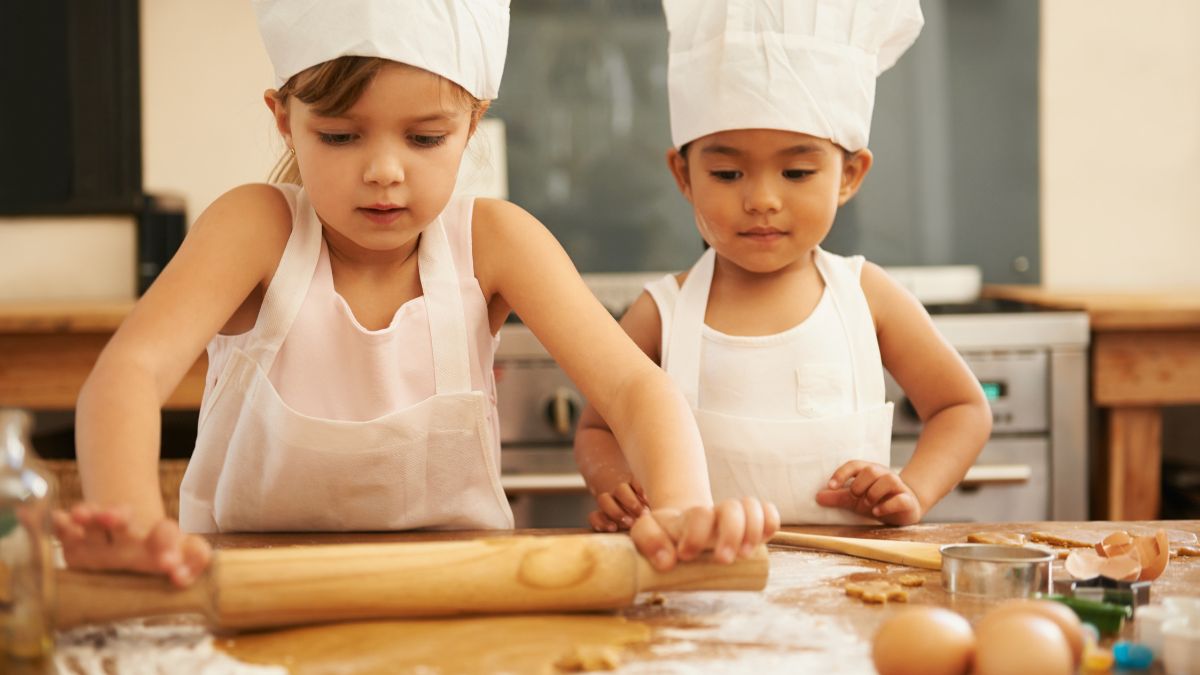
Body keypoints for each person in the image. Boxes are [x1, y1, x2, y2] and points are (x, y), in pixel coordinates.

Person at [52, 0, 778, 587]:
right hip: (251, 594)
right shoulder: (258, 229)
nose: (384, 172)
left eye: (426, 138)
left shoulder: (493, 240)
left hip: (461, 597)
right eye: (340, 136)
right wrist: (133, 523)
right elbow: (129, 373)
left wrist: (682, 506)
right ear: (284, 118)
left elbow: (631, 387)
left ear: (472, 124)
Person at [575, 0, 992, 531]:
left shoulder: (867, 297)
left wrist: (913, 488)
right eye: (727, 174)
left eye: (796, 172)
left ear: (849, 175)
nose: (762, 200)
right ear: (683, 175)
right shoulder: (664, 312)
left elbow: (961, 408)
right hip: (702, 585)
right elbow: (597, 430)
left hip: (848, 589)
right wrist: (618, 485)